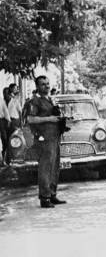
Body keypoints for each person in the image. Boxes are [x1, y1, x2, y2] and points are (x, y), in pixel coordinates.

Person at [27, 76, 67, 208]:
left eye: (48, 84)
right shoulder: (35, 101)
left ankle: (52, 194)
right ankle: (44, 198)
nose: (47, 86)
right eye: (43, 84)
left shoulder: (50, 99)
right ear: (37, 87)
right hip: (44, 138)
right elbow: (31, 119)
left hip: (54, 136)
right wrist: (49, 119)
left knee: (55, 167)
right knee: (45, 168)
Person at [0, 91, 10, 163]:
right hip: (2, 121)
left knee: (4, 139)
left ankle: (3, 158)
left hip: (1, 121)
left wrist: (8, 120)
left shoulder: (1, 100)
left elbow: (5, 110)